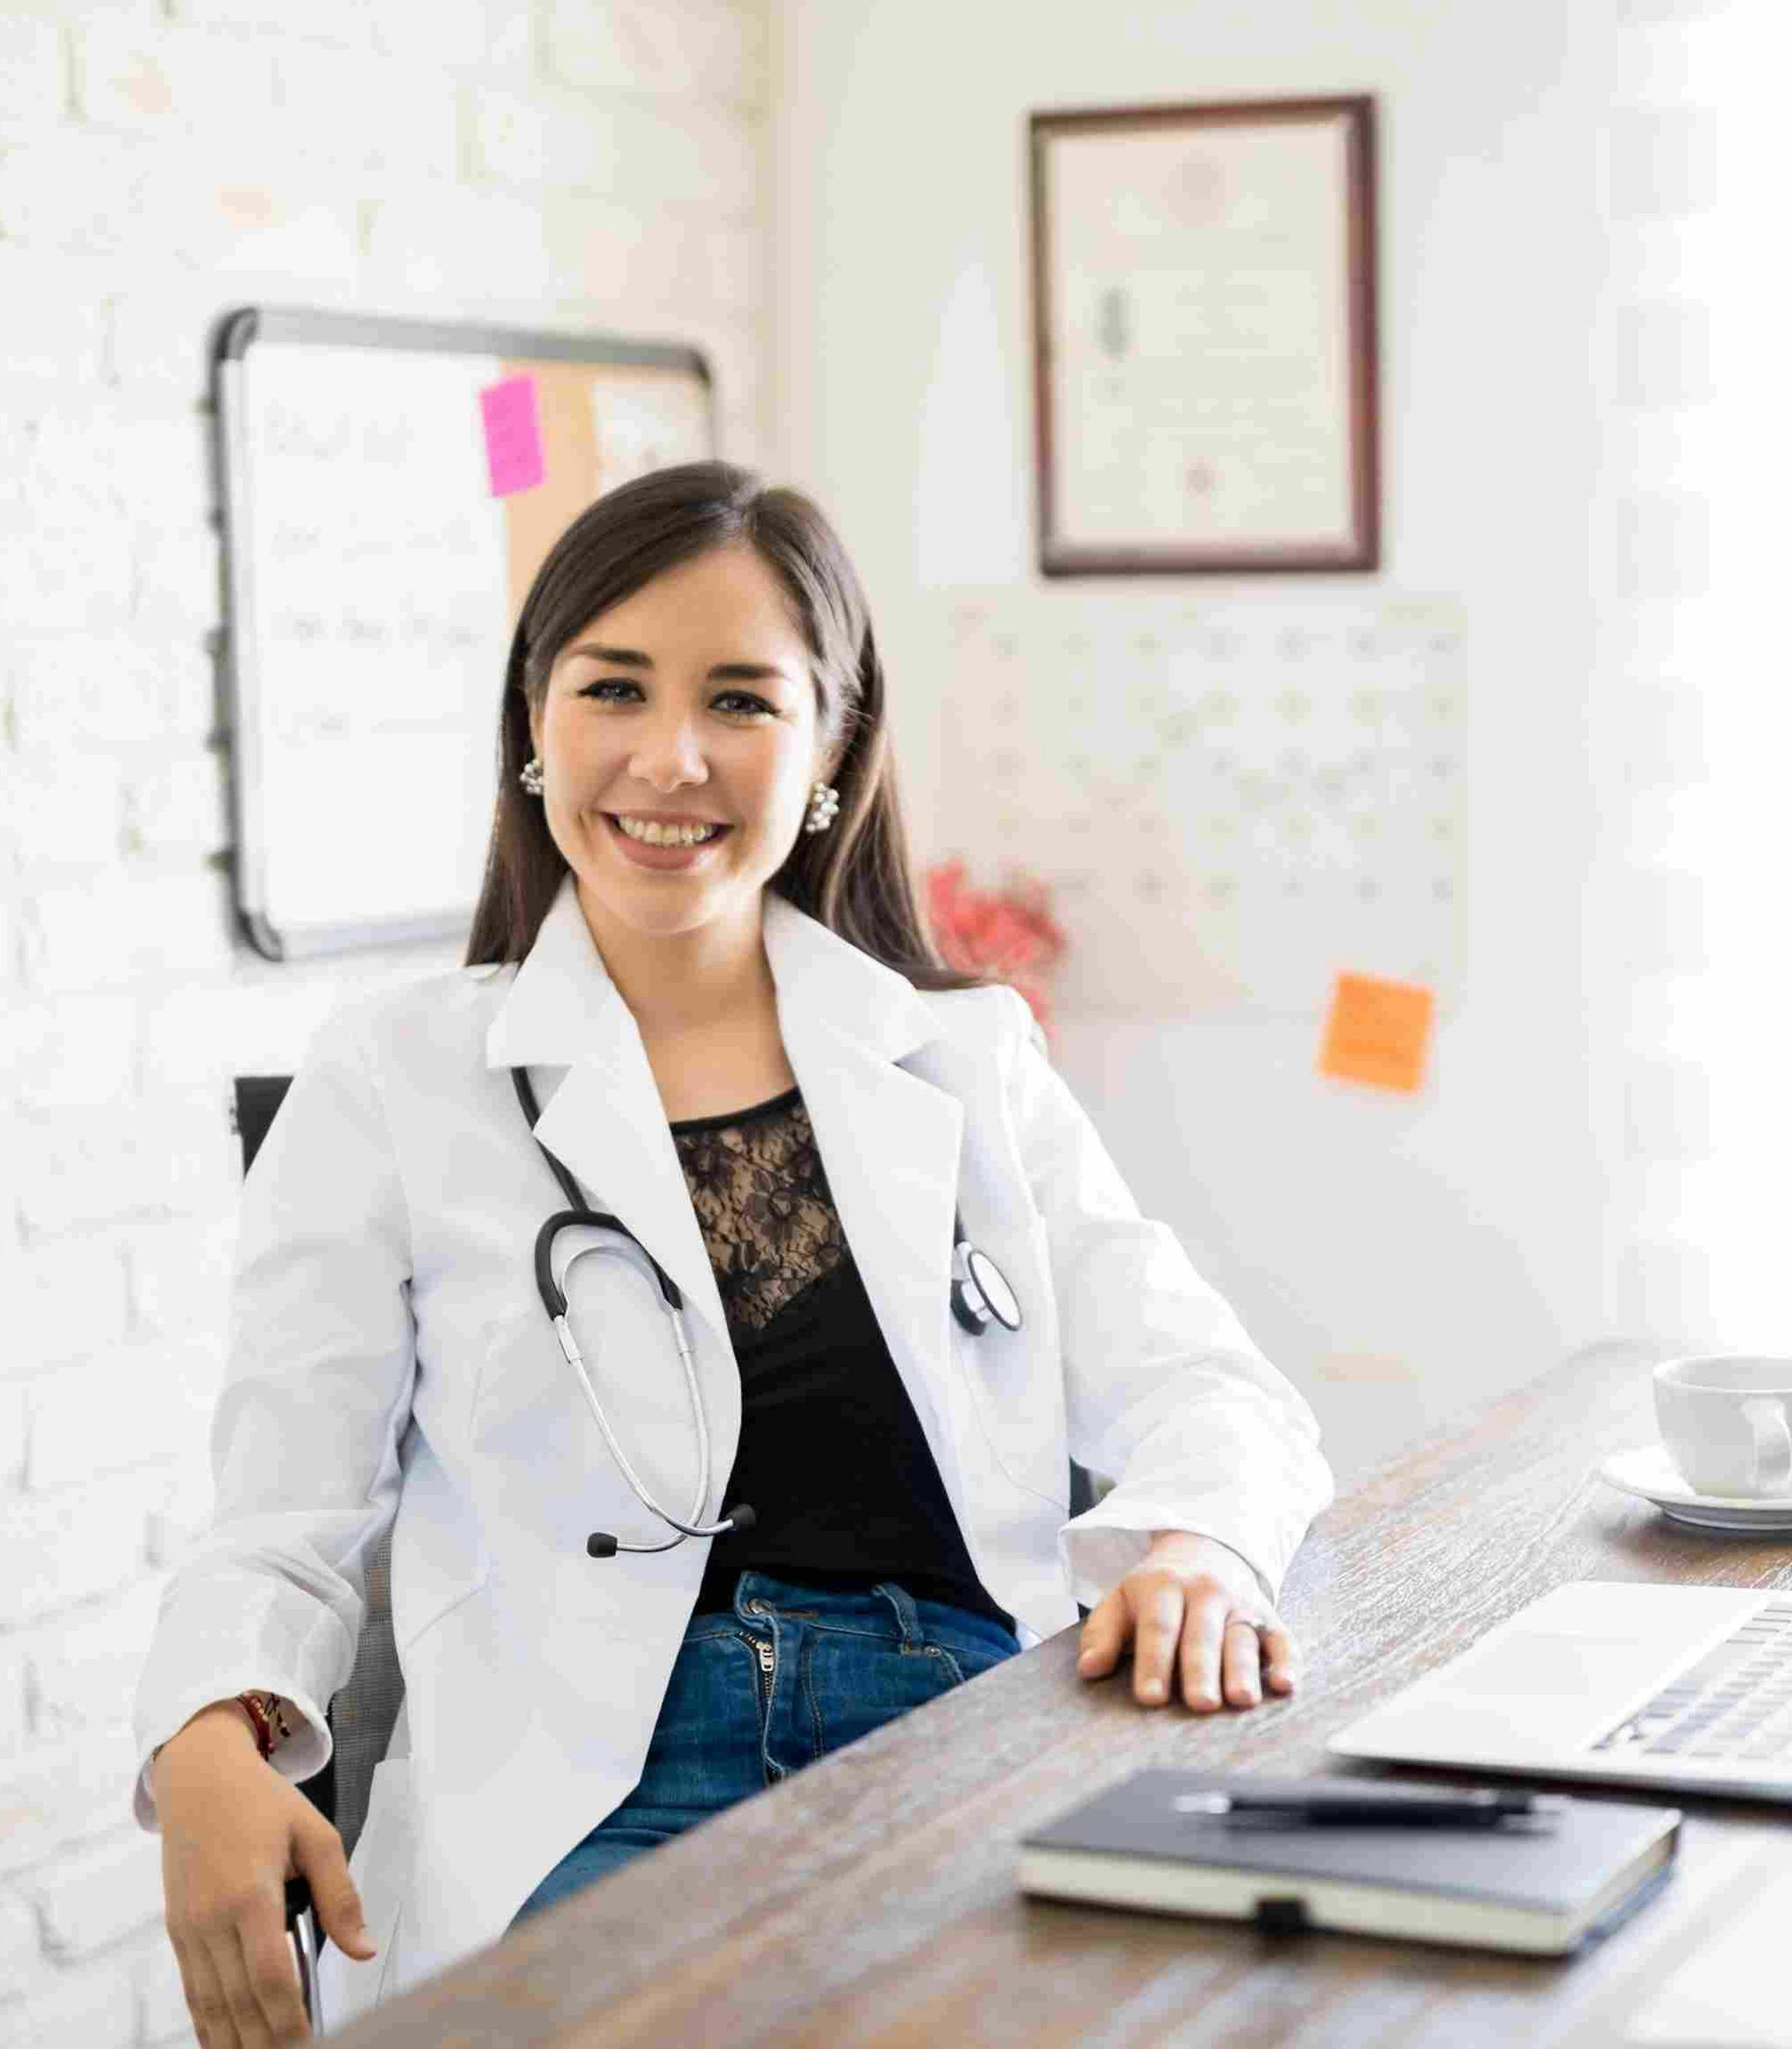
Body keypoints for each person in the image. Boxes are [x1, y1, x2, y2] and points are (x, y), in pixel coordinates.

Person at [134, 462, 1335, 2043]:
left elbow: (1214, 1390)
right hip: (604, 1782)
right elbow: (278, 1508)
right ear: (535, 721)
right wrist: (215, 1731)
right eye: (612, 686)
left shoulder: (963, 1060)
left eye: (742, 700)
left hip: (964, 1735)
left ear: (832, 744)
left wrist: (1198, 1546)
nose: (669, 756)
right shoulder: (399, 1076)